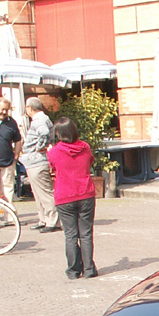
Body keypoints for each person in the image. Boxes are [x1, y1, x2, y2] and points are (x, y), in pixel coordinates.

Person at [47, 117, 98, 279]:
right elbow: (90, 162)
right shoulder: (85, 147)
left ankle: (74, 270)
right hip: (85, 193)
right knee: (86, 233)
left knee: (70, 234)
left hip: (64, 195)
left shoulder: (54, 151)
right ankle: (89, 269)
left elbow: (52, 168)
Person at [21, 97, 60, 233]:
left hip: (37, 160)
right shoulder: (40, 119)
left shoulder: (40, 119)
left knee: (44, 192)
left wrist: (39, 147)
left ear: (29, 108)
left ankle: (52, 221)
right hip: (33, 161)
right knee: (38, 193)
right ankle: (43, 219)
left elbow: (43, 132)